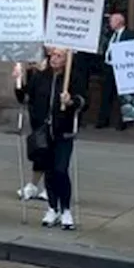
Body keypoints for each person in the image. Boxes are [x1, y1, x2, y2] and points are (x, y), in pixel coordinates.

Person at [13, 47, 84, 230]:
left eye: (59, 56)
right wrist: (18, 81)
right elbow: (25, 97)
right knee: (49, 171)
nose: (54, 59)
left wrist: (71, 101)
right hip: (43, 133)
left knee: (61, 170)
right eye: (52, 55)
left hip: (63, 132)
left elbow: (83, 101)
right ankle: (52, 207)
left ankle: (66, 209)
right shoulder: (41, 77)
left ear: (66, 59)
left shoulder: (74, 77)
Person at [96, 12, 134, 130]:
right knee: (106, 94)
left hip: (121, 69)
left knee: (121, 97)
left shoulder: (129, 35)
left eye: (112, 21)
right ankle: (103, 120)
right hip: (109, 68)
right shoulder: (111, 35)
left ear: (119, 22)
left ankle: (122, 122)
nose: (110, 23)